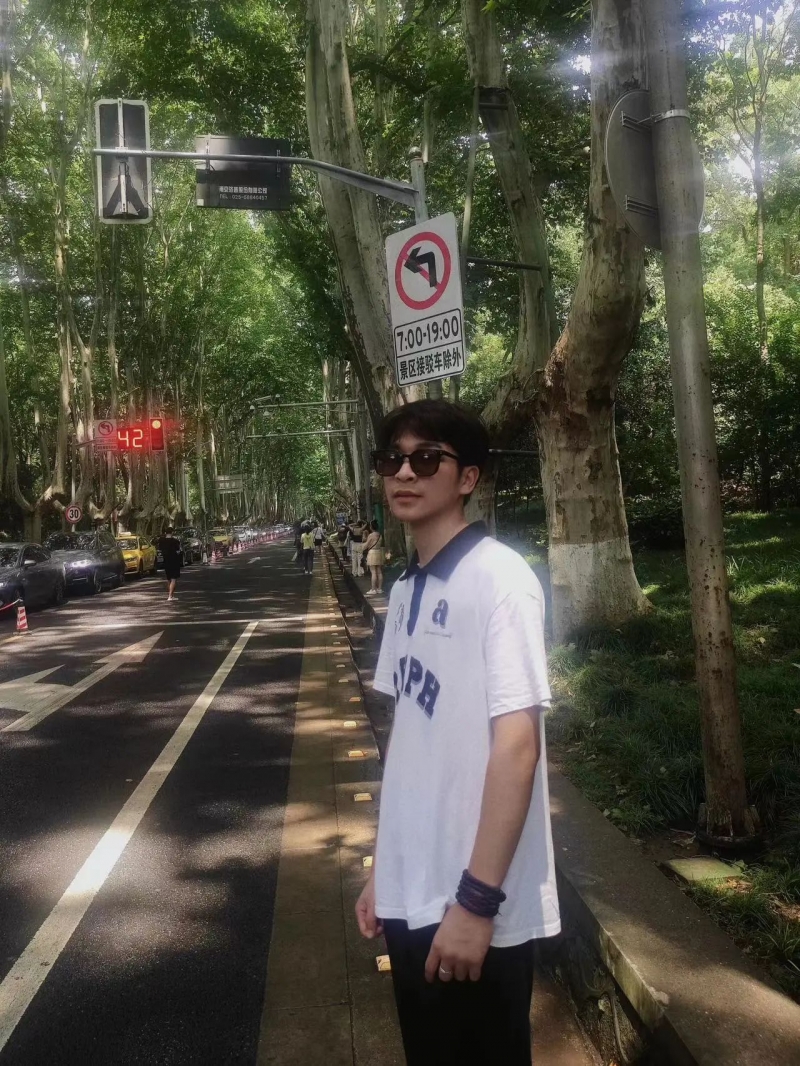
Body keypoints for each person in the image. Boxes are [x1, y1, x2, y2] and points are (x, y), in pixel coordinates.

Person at [355, 400, 558, 1066]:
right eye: (392, 459)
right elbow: (409, 741)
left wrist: (476, 904)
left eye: (425, 459)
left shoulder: (500, 579)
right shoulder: (405, 587)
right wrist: (384, 868)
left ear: (467, 477)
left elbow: (518, 747)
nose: (403, 473)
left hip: (473, 904)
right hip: (412, 890)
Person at [157, 526, 182, 603]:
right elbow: (178, 551)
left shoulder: (162, 541)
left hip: (166, 561)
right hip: (174, 561)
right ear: (172, 532)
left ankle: (172, 595)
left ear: (165, 533)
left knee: (168, 579)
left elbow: (160, 549)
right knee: (173, 579)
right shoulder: (175, 541)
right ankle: (170, 596)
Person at [362, 520, 384, 596]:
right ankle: (379, 588)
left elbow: (366, 545)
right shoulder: (380, 535)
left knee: (373, 572)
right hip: (379, 552)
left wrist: (364, 539)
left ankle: (373, 589)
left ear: (371, 527)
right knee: (379, 571)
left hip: (372, 553)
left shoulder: (371, 535)